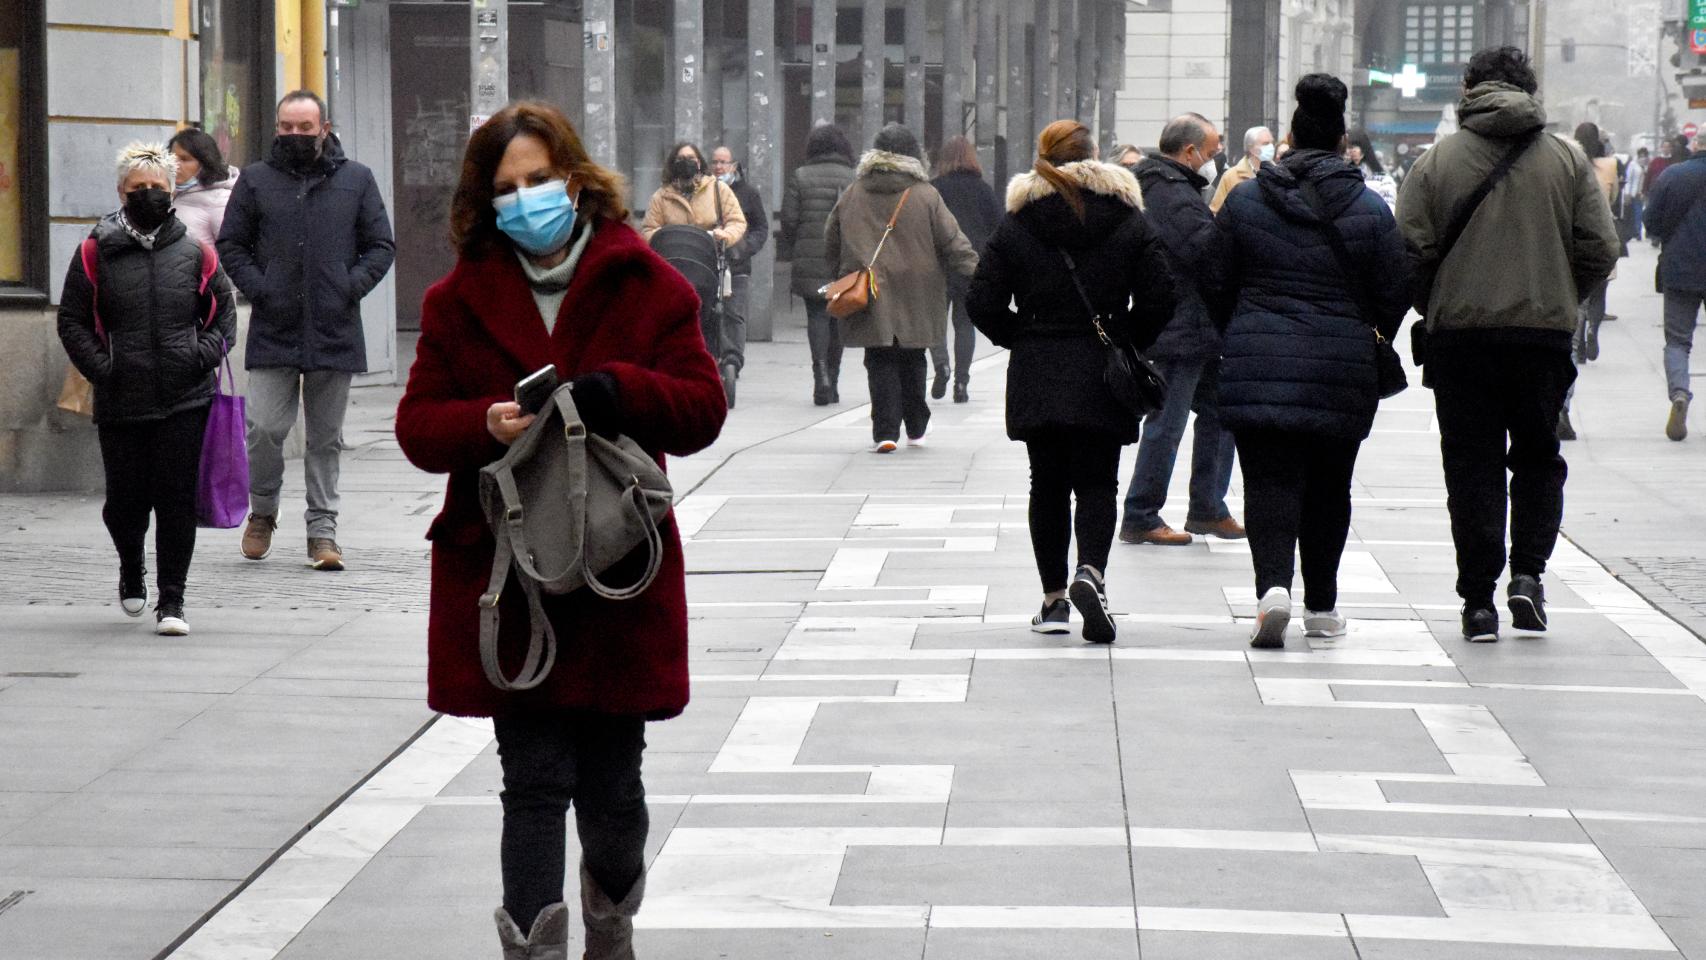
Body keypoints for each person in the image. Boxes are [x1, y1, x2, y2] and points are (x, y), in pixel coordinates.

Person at [395, 101, 727, 960]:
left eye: (539, 180)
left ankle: (610, 924)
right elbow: (419, 427)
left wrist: (622, 389)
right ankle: (534, 948)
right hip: (512, 582)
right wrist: (488, 422)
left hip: (618, 573)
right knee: (533, 781)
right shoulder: (457, 299)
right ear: (485, 200)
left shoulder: (645, 282)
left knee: (614, 787)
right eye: (506, 188)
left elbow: (701, 409)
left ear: (574, 178)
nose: (526, 200)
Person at [1398, 47, 1619, 643]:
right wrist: (1556, 293)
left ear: (1469, 88)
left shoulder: (1436, 161)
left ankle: (1477, 602)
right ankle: (1527, 576)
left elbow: (1409, 251)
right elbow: (1601, 246)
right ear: (1530, 89)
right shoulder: (1567, 161)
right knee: (1538, 458)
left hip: (1462, 338)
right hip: (1541, 337)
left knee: (1472, 466)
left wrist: (1437, 300)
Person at [1218, 74, 1410, 649]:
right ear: (1340, 143)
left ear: (1290, 142)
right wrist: (1365, 330)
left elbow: (1211, 276)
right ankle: (1322, 607)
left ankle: (1272, 590)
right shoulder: (1371, 210)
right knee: (1331, 486)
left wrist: (1239, 327)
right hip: (1340, 367)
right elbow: (1395, 288)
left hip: (1259, 361)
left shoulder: (1247, 200)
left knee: (1268, 482)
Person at [968, 119, 1176, 643]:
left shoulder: (1019, 221)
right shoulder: (1128, 218)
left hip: (1040, 366)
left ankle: (1055, 599)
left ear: (1044, 157)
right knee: (1098, 480)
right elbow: (1163, 294)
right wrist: (1128, 336)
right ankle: (1093, 574)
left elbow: (981, 300)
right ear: (1094, 156)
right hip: (1103, 367)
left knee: (1048, 482)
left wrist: (1022, 335)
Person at [57, 142, 238, 637]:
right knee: (125, 502)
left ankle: (173, 600)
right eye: (139, 189)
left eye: (158, 188)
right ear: (121, 192)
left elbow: (224, 314)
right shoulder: (96, 249)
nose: (149, 196)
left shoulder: (195, 250)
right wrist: (103, 367)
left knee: (176, 499)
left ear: (173, 191)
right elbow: (72, 320)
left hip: (185, 398)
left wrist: (197, 357)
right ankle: (130, 567)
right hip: (121, 397)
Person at [218, 90, 395, 572]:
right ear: (277, 128)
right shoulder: (255, 180)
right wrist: (260, 287)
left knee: (325, 438)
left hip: (334, 326)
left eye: (305, 127)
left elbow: (380, 245)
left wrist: (348, 286)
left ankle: (323, 532)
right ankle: (264, 512)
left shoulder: (356, 179)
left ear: (325, 127)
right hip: (275, 325)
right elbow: (231, 243)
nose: (296, 135)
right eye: (287, 128)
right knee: (263, 428)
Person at [1120, 113, 1241, 547]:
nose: (1214, 161)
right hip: (1181, 328)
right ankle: (1140, 514)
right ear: (1189, 152)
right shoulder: (1171, 194)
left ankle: (1208, 507)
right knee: (1166, 423)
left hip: (1193, 327)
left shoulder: (1167, 187)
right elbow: (1207, 255)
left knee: (1221, 411)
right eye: (1211, 153)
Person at [824, 123, 978, 452]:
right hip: (919, 289)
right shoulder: (925, 195)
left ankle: (885, 432)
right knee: (913, 355)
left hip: (870, 288)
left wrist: (841, 272)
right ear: (914, 154)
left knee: (879, 357)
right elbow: (953, 241)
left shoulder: (855, 192)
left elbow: (831, 236)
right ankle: (917, 426)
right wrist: (981, 274)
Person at [640, 142, 747, 404]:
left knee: (714, 313)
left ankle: (714, 361)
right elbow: (648, 230)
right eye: (681, 158)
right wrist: (666, 237)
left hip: (708, 264)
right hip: (674, 266)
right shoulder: (661, 197)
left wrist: (725, 235)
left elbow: (737, 221)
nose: (686, 162)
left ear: (699, 162)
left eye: (691, 158)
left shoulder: (718, 191)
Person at [779, 123, 857, 405]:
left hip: (810, 256)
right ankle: (833, 379)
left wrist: (798, 242)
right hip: (843, 260)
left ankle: (820, 374)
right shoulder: (853, 177)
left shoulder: (800, 176)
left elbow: (788, 220)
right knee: (838, 317)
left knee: (816, 315)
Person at [928, 136, 1002, 403]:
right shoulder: (983, 190)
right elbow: (999, 226)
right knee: (964, 323)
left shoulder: (934, 188)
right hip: (971, 264)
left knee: (936, 321)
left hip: (938, 264)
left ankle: (941, 366)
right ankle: (962, 382)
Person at [1644, 130, 1706, 442]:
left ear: (1696, 145)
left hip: (1680, 268)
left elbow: (1651, 221)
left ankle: (1680, 393)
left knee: (1678, 341)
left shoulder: (1673, 175)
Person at [710, 145, 770, 407]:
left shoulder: (748, 193)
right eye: (715, 162)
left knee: (735, 314)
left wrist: (745, 247)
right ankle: (714, 358)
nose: (719, 167)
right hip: (710, 263)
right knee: (711, 311)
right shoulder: (706, 192)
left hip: (738, 264)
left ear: (734, 165)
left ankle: (733, 360)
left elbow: (760, 227)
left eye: (724, 162)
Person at [1571, 122, 1620, 367]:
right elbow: (1613, 199)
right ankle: (1593, 330)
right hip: (1604, 233)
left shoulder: (1569, 163)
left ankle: (1577, 344)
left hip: (1577, 238)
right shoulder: (1610, 165)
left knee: (1580, 296)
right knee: (1600, 292)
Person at [166, 128, 237, 249]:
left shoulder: (221, 200)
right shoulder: (172, 194)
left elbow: (233, 252)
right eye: (171, 158)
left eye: (184, 159)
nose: (174, 165)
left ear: (205, 162)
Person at [1210, 125, 1275, 213]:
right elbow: (1216, 212)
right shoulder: (1230, 177)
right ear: (1251, 148)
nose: (1271, 147)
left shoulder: (1279, 174)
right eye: (1266, 144)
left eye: (1272, 143)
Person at [1347, 129, 1400, 210]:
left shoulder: (1383, 181)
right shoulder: (1339, 178)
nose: (1348, 151)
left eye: (1352, 147)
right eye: (1346, 148)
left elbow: (1389, 212)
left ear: (1364, 150)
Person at [1625, 146, 1649, 242]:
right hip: (1635, 193)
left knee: (1644, 212)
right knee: (1637, 213)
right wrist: (1628, 193)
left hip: (1645, 192)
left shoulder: (1648, 165)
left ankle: (1645, 231)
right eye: (1641, 156)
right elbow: (1628, 179)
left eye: (1644, 156)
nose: (1642, 158)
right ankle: (1637, 232)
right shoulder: (1633, 164)